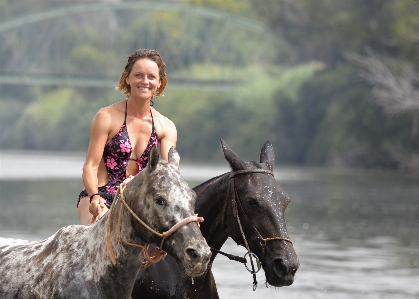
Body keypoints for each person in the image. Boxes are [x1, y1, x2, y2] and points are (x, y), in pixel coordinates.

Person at [77, 49, 177, 225]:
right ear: (127, 78)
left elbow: (170, 176)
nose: (145, 81)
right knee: (104, 235)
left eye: (151, 77)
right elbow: (90, 166)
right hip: (101, 197)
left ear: (160, 83)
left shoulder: (165, 127)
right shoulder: (106, 117)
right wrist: (93, 196)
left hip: (139, 205)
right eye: (138, 75)